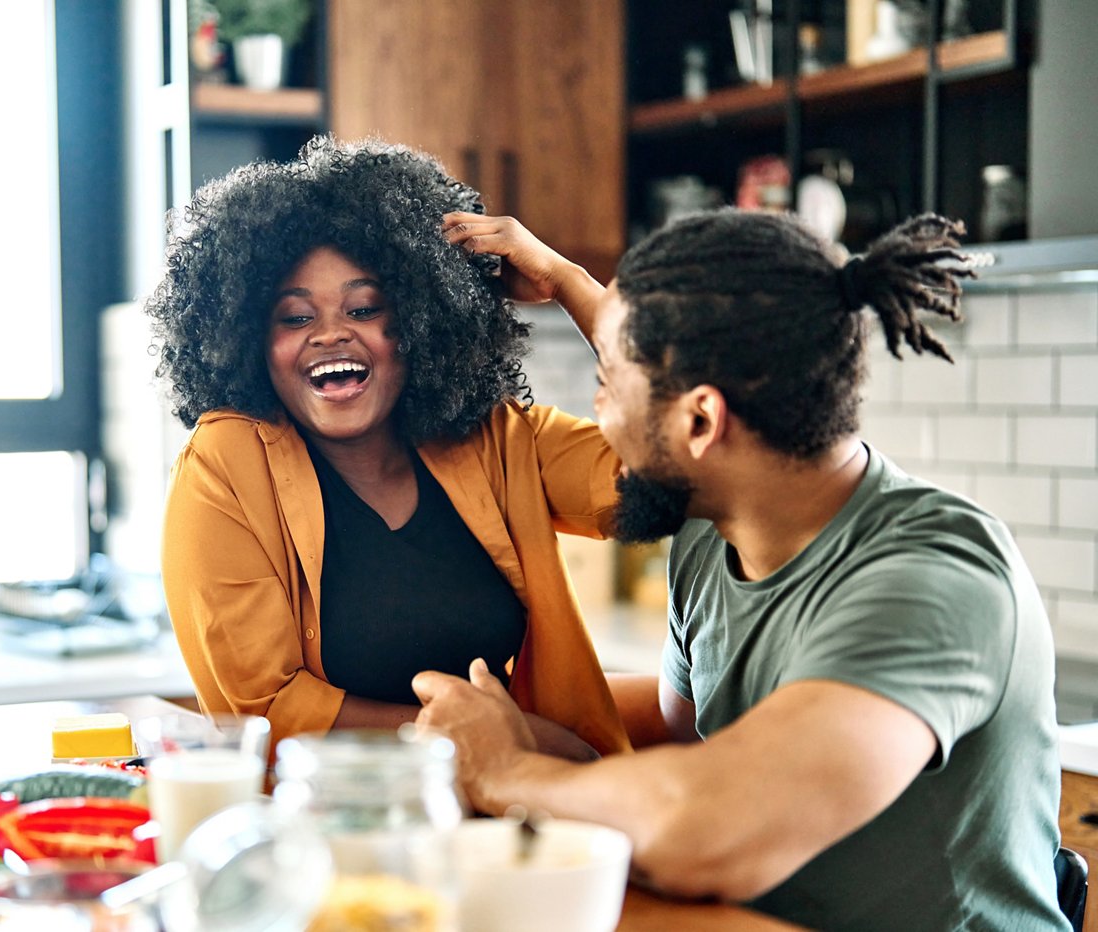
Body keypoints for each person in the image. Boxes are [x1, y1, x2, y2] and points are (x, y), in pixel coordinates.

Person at [417, 209, 1070, 931]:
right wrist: (569, 281)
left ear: (700, 421)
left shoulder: (932, 577)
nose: (598, 409)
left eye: (608, 386)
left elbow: (710, 832)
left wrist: (504, 769)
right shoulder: (714, 531)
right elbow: (683, 728)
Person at [145, 135, 630, 758]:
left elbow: (663, 467)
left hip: (512, 822)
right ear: (248, 342)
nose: (330, 334)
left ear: (421, 321)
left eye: (366, 307)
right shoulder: (226, 464)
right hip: (333, 828)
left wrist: (570, 282)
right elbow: (267, 714)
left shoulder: (496, 437)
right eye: (295, 317)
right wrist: (500, 740)